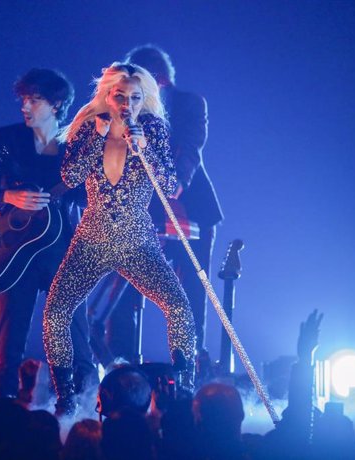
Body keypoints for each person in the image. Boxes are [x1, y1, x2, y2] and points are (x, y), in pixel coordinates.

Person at [43, 63, 196, 414]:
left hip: (136, 239)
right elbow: (69, 177)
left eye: (136, 97)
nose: (128, 104)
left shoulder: (153, 129)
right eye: (120, 96)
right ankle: (66, 399)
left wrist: (147, 151)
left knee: (179, 309)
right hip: (93, 237)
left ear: (145, 99)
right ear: (107, 95)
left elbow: (170, 187)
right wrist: (98, 136)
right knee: (55, 311)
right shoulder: (88, 127)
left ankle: (182, 391)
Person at [0, 68, 96, 400]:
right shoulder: (8, 139)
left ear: (56, 105)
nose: (25, 106)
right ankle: (3, 416)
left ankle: (78, 411)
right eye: (23, 99)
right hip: (14, 254)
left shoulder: (77, 145)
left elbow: (91, 196)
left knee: (74, 338)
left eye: (34, 100)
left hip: (62, 251)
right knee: (9, 346)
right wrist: (8, 197)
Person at [126, 45, 223, 353]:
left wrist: (178, 180)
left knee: (192, 290)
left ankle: (190, 362)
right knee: (126, 288)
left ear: (161, 80)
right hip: (142, 207)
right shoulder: (128, 107)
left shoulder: (190, 103)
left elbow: (191, 146)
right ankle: (123, 364)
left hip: (191, 206)